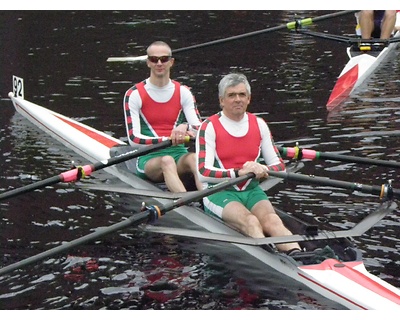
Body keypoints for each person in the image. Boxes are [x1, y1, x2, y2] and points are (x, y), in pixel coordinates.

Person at [196, 73, 301, 254]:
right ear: (222, 101)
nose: (237, 99)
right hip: (219, 191)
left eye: (242, 95)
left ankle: (301, 258)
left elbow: (279, 166)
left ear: (249, 98)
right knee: (250, 221)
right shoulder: (209, 126)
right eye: (231, 95)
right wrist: (238, 173)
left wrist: (263, 168)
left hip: (251, 190)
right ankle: (272, 260)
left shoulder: (259, 124)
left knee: (272, 221)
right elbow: (203, 172)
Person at [123, 41, 203, 193]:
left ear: (171, 62)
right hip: (149, 158)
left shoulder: (184, 92)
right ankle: (187, 205)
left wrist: (185, 126)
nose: (159, 63)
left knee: (194, 158)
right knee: (167, 161)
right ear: (148, 63)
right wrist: (167, 139)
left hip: (179, 154)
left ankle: (211, 203)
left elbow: (201, 130)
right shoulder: (134, 94)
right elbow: (134, 139)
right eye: (154, 59)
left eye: (164, 59)